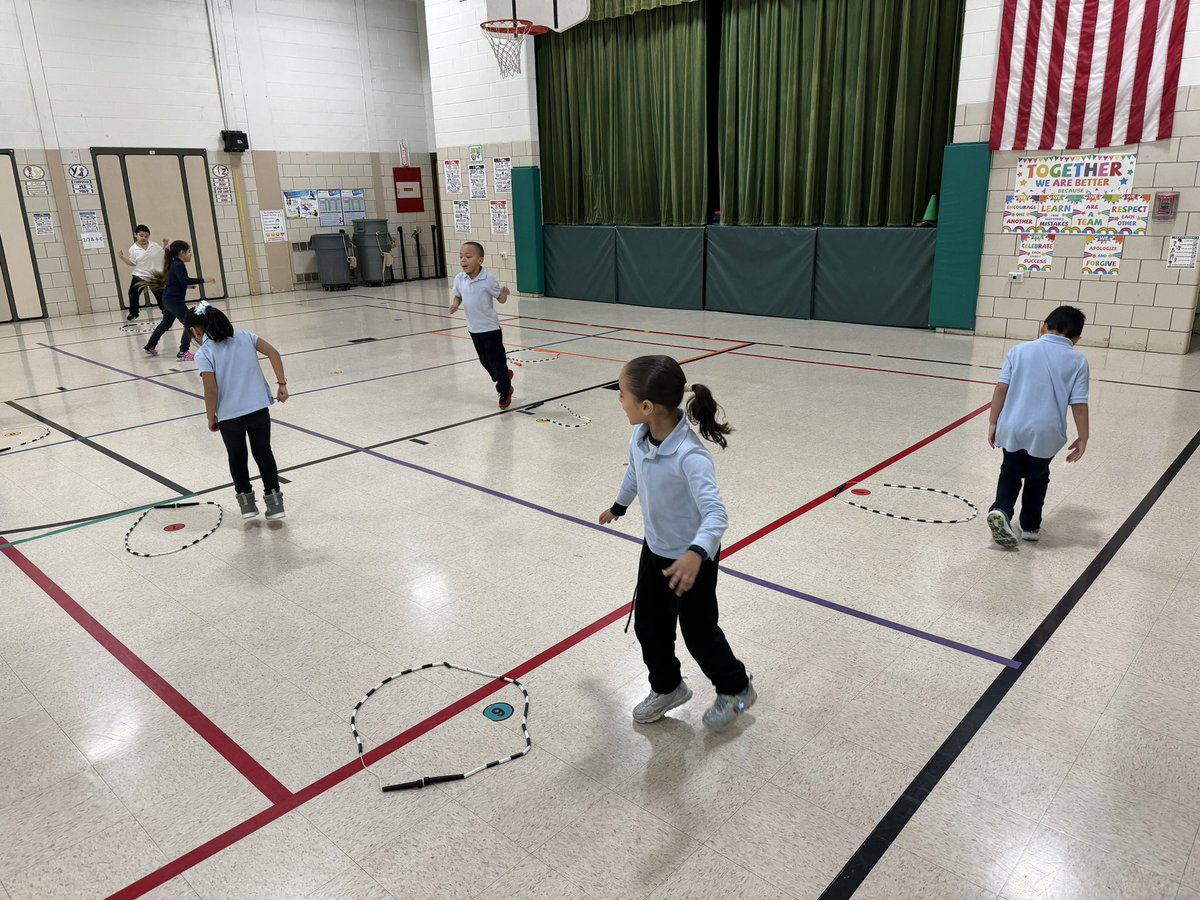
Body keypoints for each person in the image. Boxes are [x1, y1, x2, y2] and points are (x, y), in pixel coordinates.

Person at [598, 355, 756, 730]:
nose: (619, 401)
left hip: (692, 563)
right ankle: (668, 687)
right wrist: (618, 506)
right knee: (648, 627)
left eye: (622, 395)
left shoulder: (690, 456)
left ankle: (737, 688)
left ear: (647, 407)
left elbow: (717, 515)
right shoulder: (640, 437)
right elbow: (636, 473)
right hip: (655, 551)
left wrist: (695, 554)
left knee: (699, 635)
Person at [986, 305, 1090, 548]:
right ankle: (1031, 526)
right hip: (1046, 432)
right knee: (1038, 476)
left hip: (1012, 425)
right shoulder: (1078, 360)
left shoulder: (1019, 350)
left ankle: (1001, 510)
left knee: (1010, 470)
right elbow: (1079, 404)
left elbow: (1001, 388)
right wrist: (1083, 437)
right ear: (1076, 339)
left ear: (1044, 325)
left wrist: (993, 421)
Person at [186, 301, 288, 521]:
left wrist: (210, 416)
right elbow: (273, 352)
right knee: (264, 453)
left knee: (237, 457)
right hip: (258, 408)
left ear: (196, 330)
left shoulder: (204, 353)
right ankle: (276, 503)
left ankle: (247, 506)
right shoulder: (245, 336)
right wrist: (281, 384)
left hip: (230, 416)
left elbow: (210, 388)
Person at [449, 242, 514, 409]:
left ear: (480, 260)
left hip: (491, 329)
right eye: (461, 256)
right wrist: (455, 305)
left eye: (468, 257)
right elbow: (458, 295)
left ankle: (504, 389)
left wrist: (503, 295)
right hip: (474, 329)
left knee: (496, 360)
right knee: (484, 361)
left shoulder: (488, 279)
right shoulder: (459, 278)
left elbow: (500, 299)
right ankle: (504, 376)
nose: (463, 260)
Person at [142, 240, 213, 361]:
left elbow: (176, 281)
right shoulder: (178, 265)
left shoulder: (173, 264)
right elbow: (184, 279)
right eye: (189, 251)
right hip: (174, 301)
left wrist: (186, 286)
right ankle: (183, 352)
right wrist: (204, 280)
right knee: (189, 324)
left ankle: (150, 346)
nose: (190, 254)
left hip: (168, 299)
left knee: (165, 324)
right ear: (182, 252)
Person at [117, 225, 165, 320]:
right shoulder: (133, 249)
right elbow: (132, 263)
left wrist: (165, 245)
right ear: (135, 235)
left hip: (153, 275)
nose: (144, 238)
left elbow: (162, 253)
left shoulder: (154, 245)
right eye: (141, 235)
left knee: (160, 295)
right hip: (139, 275)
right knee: (133, 294)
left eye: (146, 236)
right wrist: (122, 257)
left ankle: (166, 311)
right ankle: (134, 313)